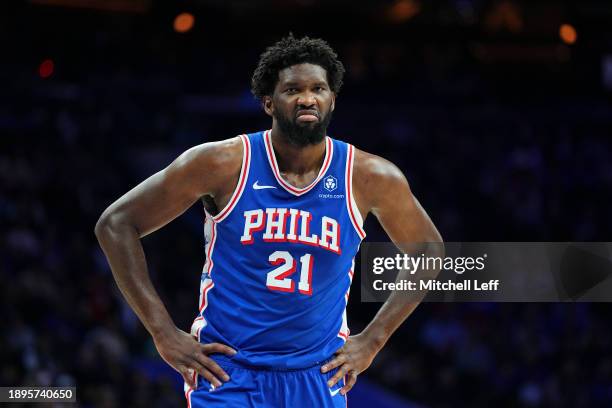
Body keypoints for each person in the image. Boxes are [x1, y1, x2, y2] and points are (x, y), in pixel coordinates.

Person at [95, 34, 443, 407]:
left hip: (319, 375)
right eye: (292, 89)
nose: (307, 98)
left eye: (318, 88)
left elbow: (428, 249)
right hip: (228, 373)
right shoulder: (222, 163)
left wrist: (373, 339)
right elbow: (115, 224)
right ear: (268, 103)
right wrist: (161, 332)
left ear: (332, 100)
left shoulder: (370, 176)